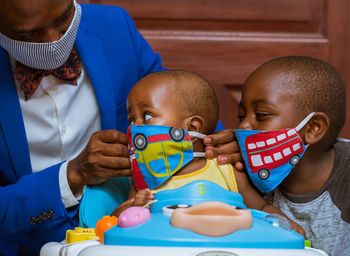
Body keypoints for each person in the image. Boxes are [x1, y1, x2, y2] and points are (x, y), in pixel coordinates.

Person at [0, 1, 239, 255]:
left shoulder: (113, 26)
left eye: (63, 20)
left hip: (132, 239)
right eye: (30, 34)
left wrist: (219, 147)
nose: (53, 43)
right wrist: (71, 175)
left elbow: (179, 104)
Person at [111, 70, 305, 237]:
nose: (134, 127)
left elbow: (261, 209)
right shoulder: (145, 181)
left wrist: (285, 224)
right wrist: (131, 208)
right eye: (131, 119)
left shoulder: (226, 170)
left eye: (146, 117)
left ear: (192, 127)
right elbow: (121, 221)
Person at [236, 56, 349, 256]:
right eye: (241, 116)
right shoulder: (242, 171)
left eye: (261, 115)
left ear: (313, 127)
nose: (243, 126)